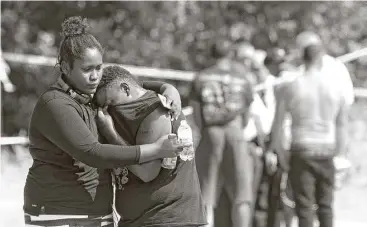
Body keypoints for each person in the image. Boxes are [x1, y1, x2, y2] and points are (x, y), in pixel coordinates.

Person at [23, 16, 188, 227]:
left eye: (99, 68)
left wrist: (166, 88)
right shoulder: (55, 104)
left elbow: (128, 84)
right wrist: (155, 150)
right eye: (87, 69)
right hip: (59, 214)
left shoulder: (88, 95)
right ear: (65, 67)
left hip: (98, 214)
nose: (95, 77)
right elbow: (93, 153)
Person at [93, 65, 206, 227]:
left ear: (125, 89)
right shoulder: (137, 105)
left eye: (111, 102)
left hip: (167, 219)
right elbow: (139, 84)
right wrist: (166, 86)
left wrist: (110, 133)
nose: (107, 111)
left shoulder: (155, 111)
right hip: (143, 219)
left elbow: (147, 172)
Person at [269, 40, 351, 227]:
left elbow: (278, 124)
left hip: (302, 147)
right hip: (326, 148)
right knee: (326, 206)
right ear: (321, 60)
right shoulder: (336, 88)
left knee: (304, 206)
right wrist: (340, 154)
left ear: (302, 59)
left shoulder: (291, 87)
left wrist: (281, 152)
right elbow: (342, 124)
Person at [190, 39, 254, 227]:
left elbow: (196, 113)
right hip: (235, 132)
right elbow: (246, 115)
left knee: (203, 193)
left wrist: (206, 131)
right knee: (242, 196)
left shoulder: (201, 77)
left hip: (211, 133)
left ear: (211, 55)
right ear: (231, 55)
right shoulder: (244, 78)